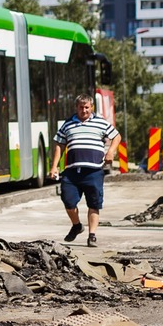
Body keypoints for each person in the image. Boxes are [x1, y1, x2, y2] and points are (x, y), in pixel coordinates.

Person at [50, 95, 120, 247]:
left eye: (87, 107)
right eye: (81, 107)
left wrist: (111, 152)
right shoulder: (67, 124)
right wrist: (54, 166)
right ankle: (77, 226)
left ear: (91, 107)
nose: (84, 110)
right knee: (68, 201)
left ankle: (92, 235)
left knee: (93, 204)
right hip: (72, 171)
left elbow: (117, 136)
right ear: (77, 108)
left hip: (94, 171)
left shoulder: (100, 123)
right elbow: (59, 145)